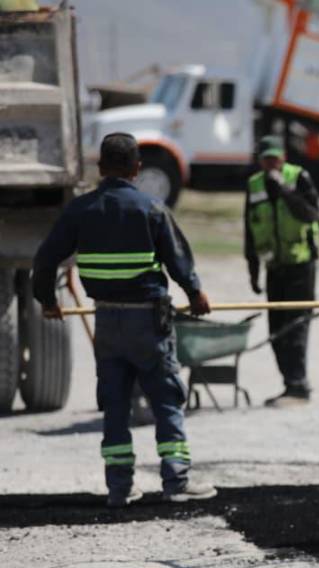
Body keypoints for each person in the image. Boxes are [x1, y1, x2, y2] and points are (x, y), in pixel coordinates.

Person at [32, 132, 217, 508]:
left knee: (115, 405)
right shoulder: (151, 208)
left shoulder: (81, 210)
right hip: (148, 323)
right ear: (137, 168)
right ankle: (176, 482)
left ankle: (119, 488)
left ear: (100, 168)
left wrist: (48, 301)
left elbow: (45, 261)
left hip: (107, 323)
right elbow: (178, 259)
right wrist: (196, 295)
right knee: (166, 399)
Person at [244, 135, 319, 407]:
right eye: (266, 159)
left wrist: (285, 190)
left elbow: (310, 214)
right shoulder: (254, 185)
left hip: (301, 266)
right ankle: (290, 384)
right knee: (276, 329)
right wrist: (253, 272)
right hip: (274, 267)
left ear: (283, 157)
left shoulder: (299, 177)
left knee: (296, 327)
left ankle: (298, 386)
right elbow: (249, 232)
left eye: (275, 158)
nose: (271, 164)